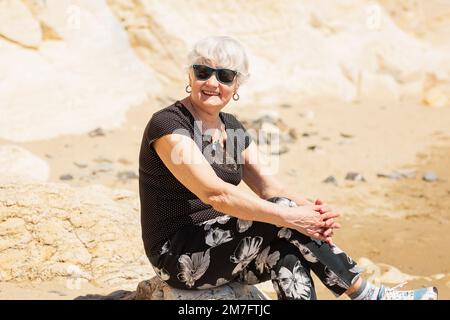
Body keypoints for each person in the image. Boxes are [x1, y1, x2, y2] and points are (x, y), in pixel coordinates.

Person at [138, 36, 438, 300]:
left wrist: (313, 212)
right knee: (283, 216)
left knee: (288, 250)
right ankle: (368, 295)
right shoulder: (169, 124)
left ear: (237, 84)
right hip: (178, 256)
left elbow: (271, 188)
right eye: (203, 72)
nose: (213, 83)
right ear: (190, 74)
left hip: (225, 249)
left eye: (225, 76)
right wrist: (291, 216)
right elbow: (214, 193)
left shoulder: (232, 128)